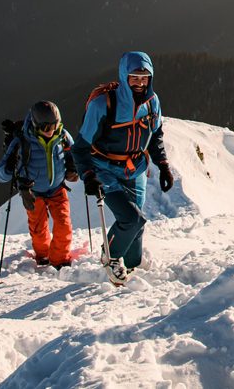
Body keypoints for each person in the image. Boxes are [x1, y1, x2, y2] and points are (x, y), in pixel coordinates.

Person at [72, 51, 174, 285]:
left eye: (144, 77)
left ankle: (131, 264)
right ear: (123, 76)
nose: (140, 83)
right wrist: (88, 176)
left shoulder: (152, 102)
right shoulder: (103, 104)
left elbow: (155, 133)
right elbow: (80, 147)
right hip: (104, 168)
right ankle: (111, 257)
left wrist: (164, 165)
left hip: (135, 168)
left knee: (136, 223)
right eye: (134, 77)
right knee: (131, 219)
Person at [0, 100, 78, 270]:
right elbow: (0, 175)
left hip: (57, 188)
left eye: (55, 125)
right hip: (31, 192)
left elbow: (76, 155)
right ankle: (43, 255)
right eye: (46, 128)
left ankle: (60, 261)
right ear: (35, 124)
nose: (51, 131)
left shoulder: (62, 135)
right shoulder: (22, 141)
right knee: (38, 229)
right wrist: (10, 165)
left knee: (63, 225)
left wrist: (74, 169)